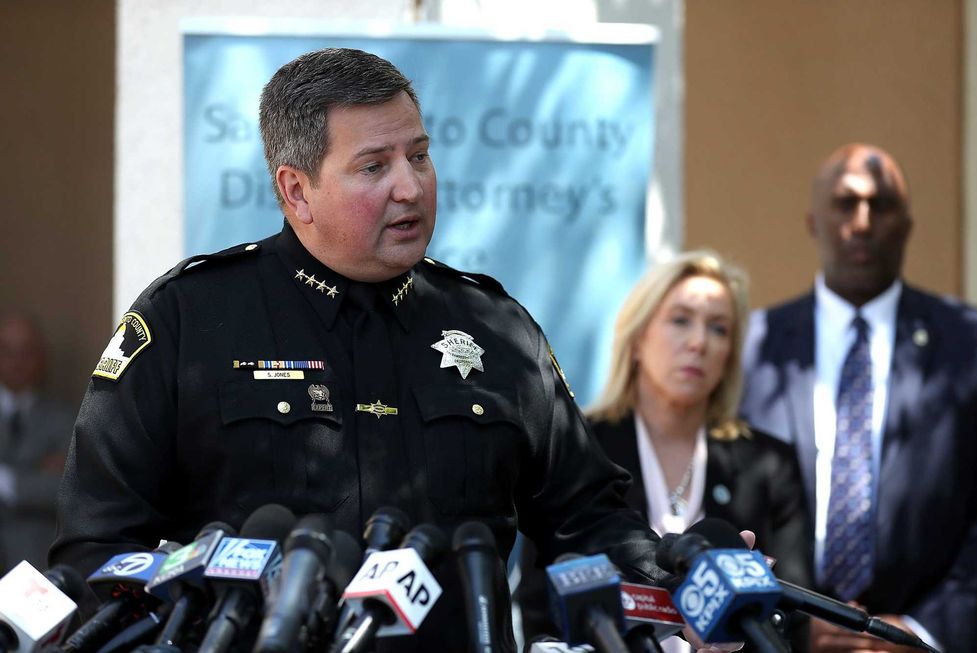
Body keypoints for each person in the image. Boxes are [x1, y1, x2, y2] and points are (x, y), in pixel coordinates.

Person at [49, 48, 737, 652]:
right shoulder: (188, 319)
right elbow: (99, 549)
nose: (410, 187)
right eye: (374, 166)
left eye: (419, 155)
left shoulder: (494, 325)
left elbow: (586, 519)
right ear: (296, 191)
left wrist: (679, 584)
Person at [740, 143, 977, 652]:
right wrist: (790, 622)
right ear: (813, 222)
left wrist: (921, 631)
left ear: (907, 227)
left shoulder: (968, 344)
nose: (863, 222)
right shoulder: (754, 347)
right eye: (846, 203)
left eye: (882, 205)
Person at [516, 251, 812, 651]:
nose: (699, 342)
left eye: (719, 328)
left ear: (729, 355)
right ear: (639, 337)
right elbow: (540, 606)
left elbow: (792, 619)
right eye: (680, 320)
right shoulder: (579, 443)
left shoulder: (770, 464)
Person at [0, 312, 74, 572]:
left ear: (42, 357)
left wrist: (8, 482)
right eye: (7, 351)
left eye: (26, 351)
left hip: (36, 562)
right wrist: (34, 475)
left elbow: (64, 489)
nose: (17, 362)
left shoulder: (65, 419)